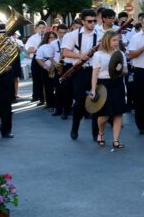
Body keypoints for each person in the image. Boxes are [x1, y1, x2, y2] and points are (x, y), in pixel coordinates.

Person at [62, 9, 103, 141]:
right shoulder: (72, 35)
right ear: (83, 21)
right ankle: (75, 128)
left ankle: (96, 133)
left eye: (94, 21)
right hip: (80, 71)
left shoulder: (101, 34)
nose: (92, 24)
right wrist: (81, 55)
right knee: (80, 102)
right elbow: (65, 52)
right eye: (89, 21)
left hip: (96, 70)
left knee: (97, 100)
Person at [89, 30, 128, 150]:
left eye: (118, 40)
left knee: (118, 113)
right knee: (103, 116)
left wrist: (121, 69)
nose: (117, 42)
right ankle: (101, 133)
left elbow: (126, 71)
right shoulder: (98, 55)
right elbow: (95, 73)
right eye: (114, 40)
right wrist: (93, 89)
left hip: (117, 84)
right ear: (107, 40)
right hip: (103, 84)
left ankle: (116, 140)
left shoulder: (120, 53)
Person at [0, 21, 17, 139]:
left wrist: (10, 67)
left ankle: (6, 130)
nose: (0, 37)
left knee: (6, 105)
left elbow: (15, 60)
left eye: (1, 35)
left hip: (6, 79)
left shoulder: (10, 44)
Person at [34, 31, 59, 113]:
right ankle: (50, 104)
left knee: (58, 87)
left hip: (58, 68)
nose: (53, 39)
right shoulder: (43, 47)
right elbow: (38, 58)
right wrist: (45, 67)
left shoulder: (58, 44)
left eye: (54, 37)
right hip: (47, 69)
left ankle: (58, 104)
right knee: (49, 87)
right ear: (47, 38)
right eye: (51, 37)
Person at [25, 21, 47, 106]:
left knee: (46, 79)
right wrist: (40, 50)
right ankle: (40, 98)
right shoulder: (33, 38)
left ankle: (47, 98)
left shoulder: (48, 36)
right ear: (36, 29)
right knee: (38, 79)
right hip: (37, 58)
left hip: (47, 59)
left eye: (43, 28)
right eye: (40, 28)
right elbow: (29, 49)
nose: (42, 30)